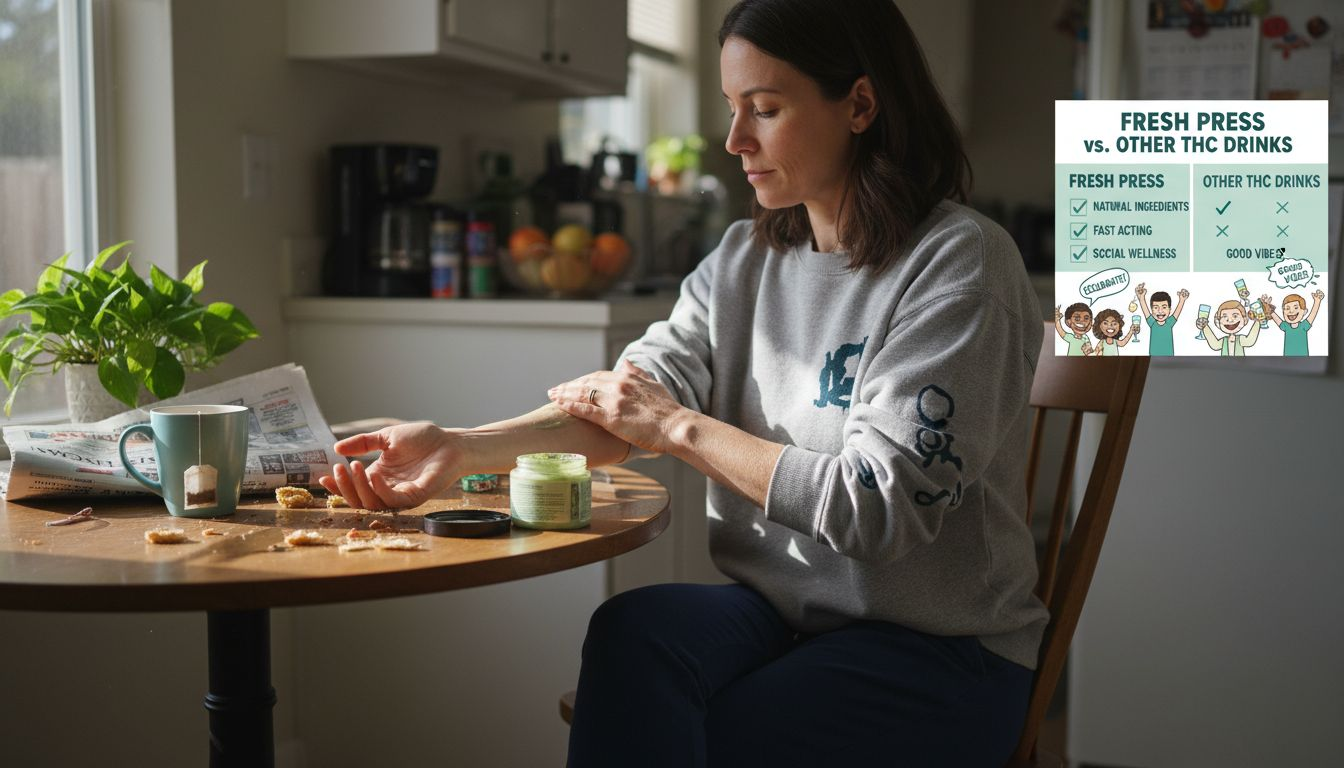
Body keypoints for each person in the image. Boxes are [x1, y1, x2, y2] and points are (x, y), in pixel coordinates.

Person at [321, 1, 1047, 764]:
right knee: (632, 633)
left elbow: (875, 510)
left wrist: (677, 427)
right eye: (734, 109)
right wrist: (459, 448)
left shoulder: (959, 265)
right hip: (785, 614)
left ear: (860, 104)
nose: (734, 141)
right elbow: (632, 403)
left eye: (765, 109)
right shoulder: (743, 260)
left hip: (945, 652)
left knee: (727, 728)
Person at [1263, 289, 1324, 356]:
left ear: (1304, 311)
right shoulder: (1285, 326)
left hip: (1303, 357)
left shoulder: (1304, 325)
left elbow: (1312, 314)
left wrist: (1317, 301)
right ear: (1283, 312)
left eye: (1295, 308)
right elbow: (1273, 314)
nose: (1291, 311)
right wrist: (1266, 305)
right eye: (1287, 308)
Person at [1135, 283, 1188, 356]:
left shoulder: (1169, 322)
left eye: (1164, 307)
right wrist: (1141, 298)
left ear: (1169, 309)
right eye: (1156, 307)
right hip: (1153, 358)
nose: (1160, 311)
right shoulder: (1152, 322)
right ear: (1152, 310)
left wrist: (1182, 300)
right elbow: (1144, 308)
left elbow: (1177, 311)